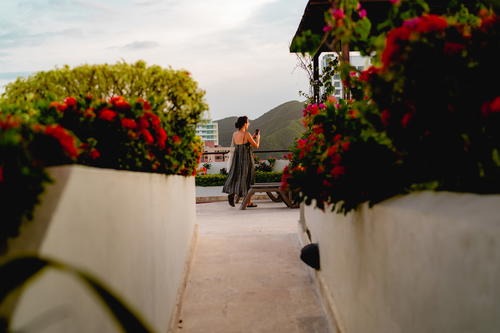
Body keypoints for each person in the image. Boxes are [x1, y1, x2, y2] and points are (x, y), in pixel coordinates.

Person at [223, 116, 260, 207]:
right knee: (248, 178)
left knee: (236, 176)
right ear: (244, 124)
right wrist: (258, 138)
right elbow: (256, 146)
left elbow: (241, 144)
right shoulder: (246, 134)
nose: (249, 124)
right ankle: (247, 201)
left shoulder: (234, 134)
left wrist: (253, 136)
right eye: (248, 122)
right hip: (246, 158)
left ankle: (233, 193)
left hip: (237, 157)